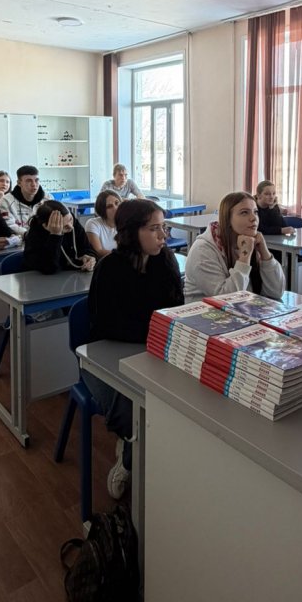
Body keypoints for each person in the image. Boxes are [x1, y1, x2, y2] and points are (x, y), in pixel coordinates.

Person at [84, 199, 183, 499]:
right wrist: (153, 333)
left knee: (174, 404)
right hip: (103, 359)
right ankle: (128, 456)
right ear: (131, 232)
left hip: (152, 353)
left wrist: (159, 335)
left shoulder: (165, 261)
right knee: (133, 411)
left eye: (163, 228)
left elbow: (174, 311)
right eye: (154, 229)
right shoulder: (109, 268)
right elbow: (105, 326)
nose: (163, 236)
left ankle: (141, 446)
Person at [183, 191, 285, 302]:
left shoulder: (251, 241)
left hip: (246, 308)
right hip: (206, 311)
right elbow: (226, 299)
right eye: (244, 213)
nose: (253, 218)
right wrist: (244, 257)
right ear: (227, 219)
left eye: (255, 212)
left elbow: (276, 292)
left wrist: (265, 253)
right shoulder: (203, 250)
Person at [22, 200, 96, 274]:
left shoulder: (71, 222)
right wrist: (55, 235)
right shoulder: (35, 235)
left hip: (73, 276)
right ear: (45, 226)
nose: (71, 227)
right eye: (64, 226)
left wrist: (90, 258)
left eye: (70, 219)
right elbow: (49, 268)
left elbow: (88, 248)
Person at [0, 165, 49, 236]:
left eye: (36, 180)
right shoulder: (6, 201)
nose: (34, 184)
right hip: (20, 240)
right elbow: (9, 224)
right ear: (19, 183)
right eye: (29, 181)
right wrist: (28, 235)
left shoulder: (47, 199)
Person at [85, 189, 121, 258]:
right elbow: (98, 251)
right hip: (104, 262)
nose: (116, 208)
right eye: (109, 206)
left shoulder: (127, 223)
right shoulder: (93, 224)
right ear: (102, 211)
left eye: (117, 203)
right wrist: (124, 256)